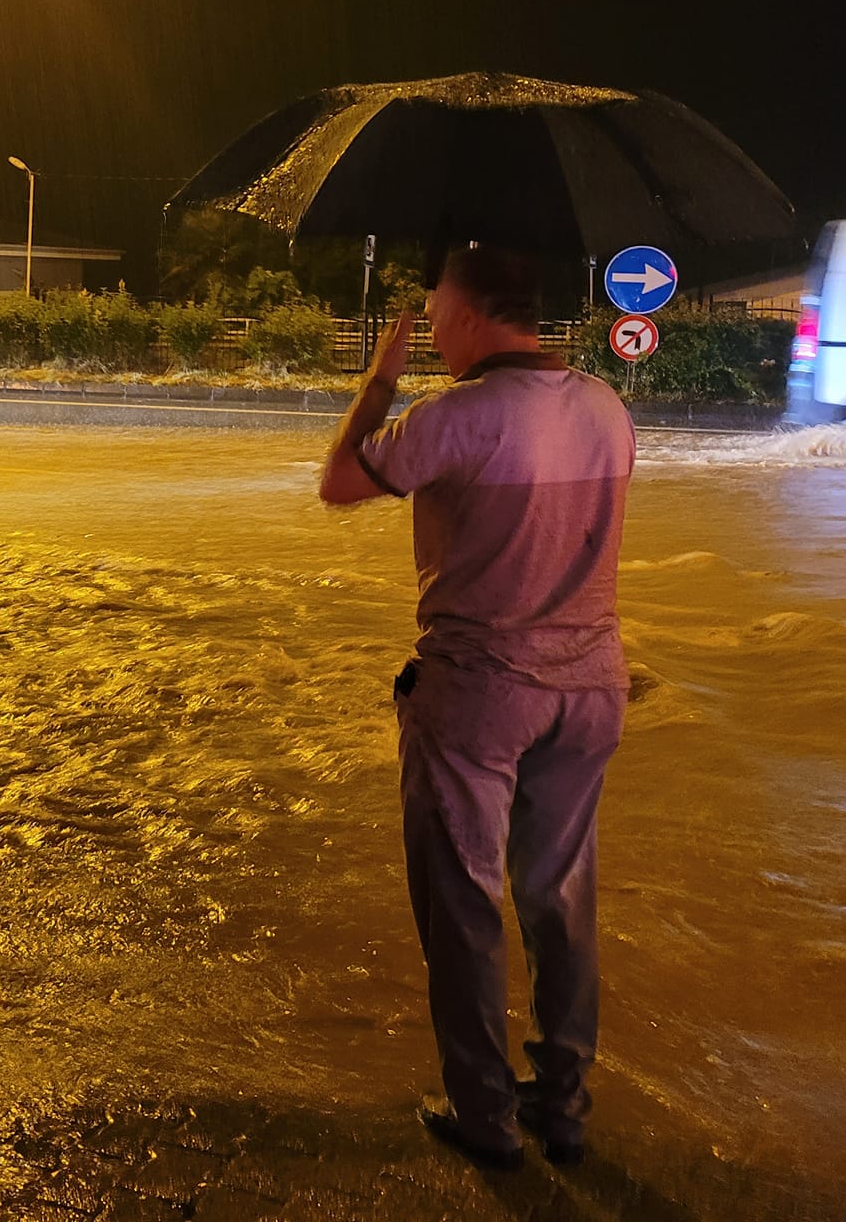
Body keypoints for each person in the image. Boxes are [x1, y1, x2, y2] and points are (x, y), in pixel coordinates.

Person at [318, 245, 635, 1172]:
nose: (428, 329)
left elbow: (339, 483)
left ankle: (484, 1117)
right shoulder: (607, 409)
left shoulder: (454, 416)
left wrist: (378, 384)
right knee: (560, 897)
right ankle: (563, 1106)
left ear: (465, 315)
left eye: (432, 311)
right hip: (591, 686)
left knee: (463, 905)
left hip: (480, 691)